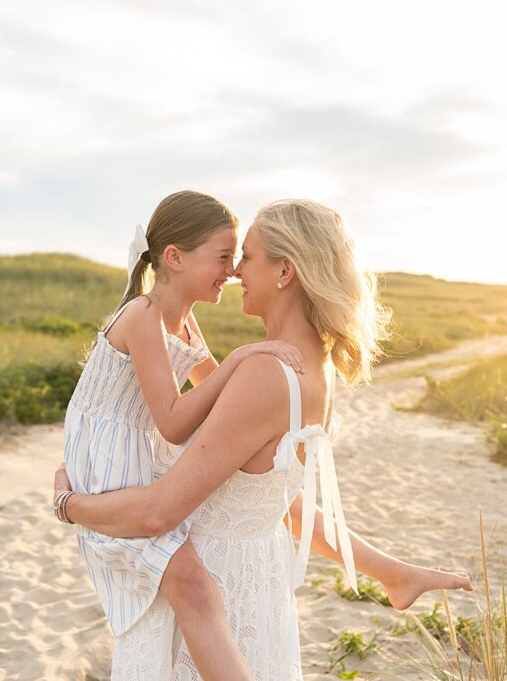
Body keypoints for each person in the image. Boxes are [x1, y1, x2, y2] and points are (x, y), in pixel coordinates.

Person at [55, 198, 472, 679]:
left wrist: (69, 504)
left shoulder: (267, 374)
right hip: (254, 592)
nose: (234, 272)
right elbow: (272, 499)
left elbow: (158, 510)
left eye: (246, 257)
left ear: (285, 272)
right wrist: (389, 570)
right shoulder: (315, 370)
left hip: (211, 592)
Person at [59, 190, 305, 680]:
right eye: (222, 256)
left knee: (195, 584)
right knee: (193, 584)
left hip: (136, 456)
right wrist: (244, 356)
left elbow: (213, 388)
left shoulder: (185, 322)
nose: (233, 270)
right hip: (107, 461)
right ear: (174, 258)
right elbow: (173, 420)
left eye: (236, 259)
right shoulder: (143, 316)